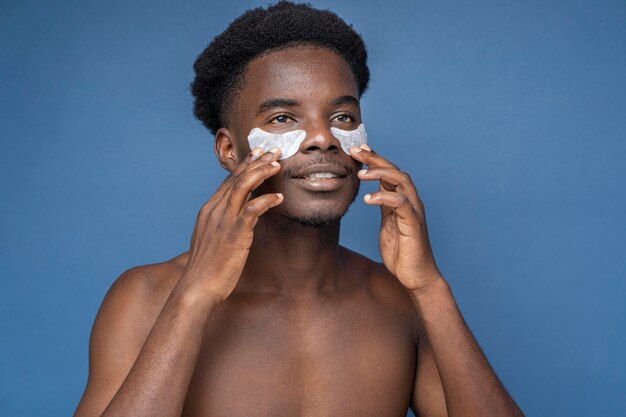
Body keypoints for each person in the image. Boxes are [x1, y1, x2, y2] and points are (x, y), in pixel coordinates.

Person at [74, 2, 524, 416]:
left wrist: (429, 288)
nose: (323, 137)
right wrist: (194, 297)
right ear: (230, 150)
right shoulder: (147, 298)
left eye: (343, 117)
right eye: (283, 119)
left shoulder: (401, 302)